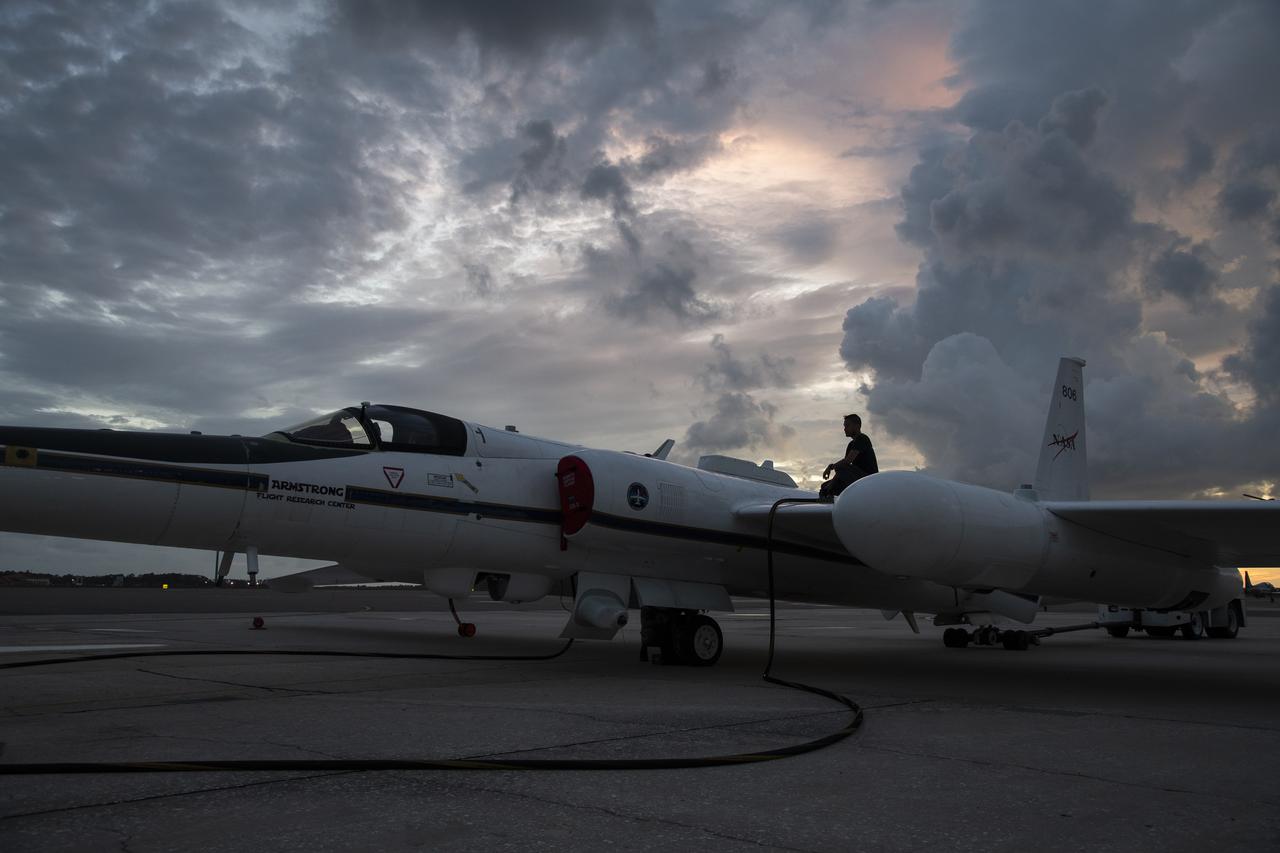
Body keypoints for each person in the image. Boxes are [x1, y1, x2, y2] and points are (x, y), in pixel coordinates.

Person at [820, 413, 878, 500]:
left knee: (840, 468)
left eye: (847, 426)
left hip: (869, 480)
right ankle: (829, 497)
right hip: (857, 478)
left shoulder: (862, 438)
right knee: (824, 485)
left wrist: (830, 467)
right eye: (844, 426)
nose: (844, 429)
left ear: (857, 426)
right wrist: (829, 486)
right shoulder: (851, 444)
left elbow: (846, 462)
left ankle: (828, 492)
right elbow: (841, 471)